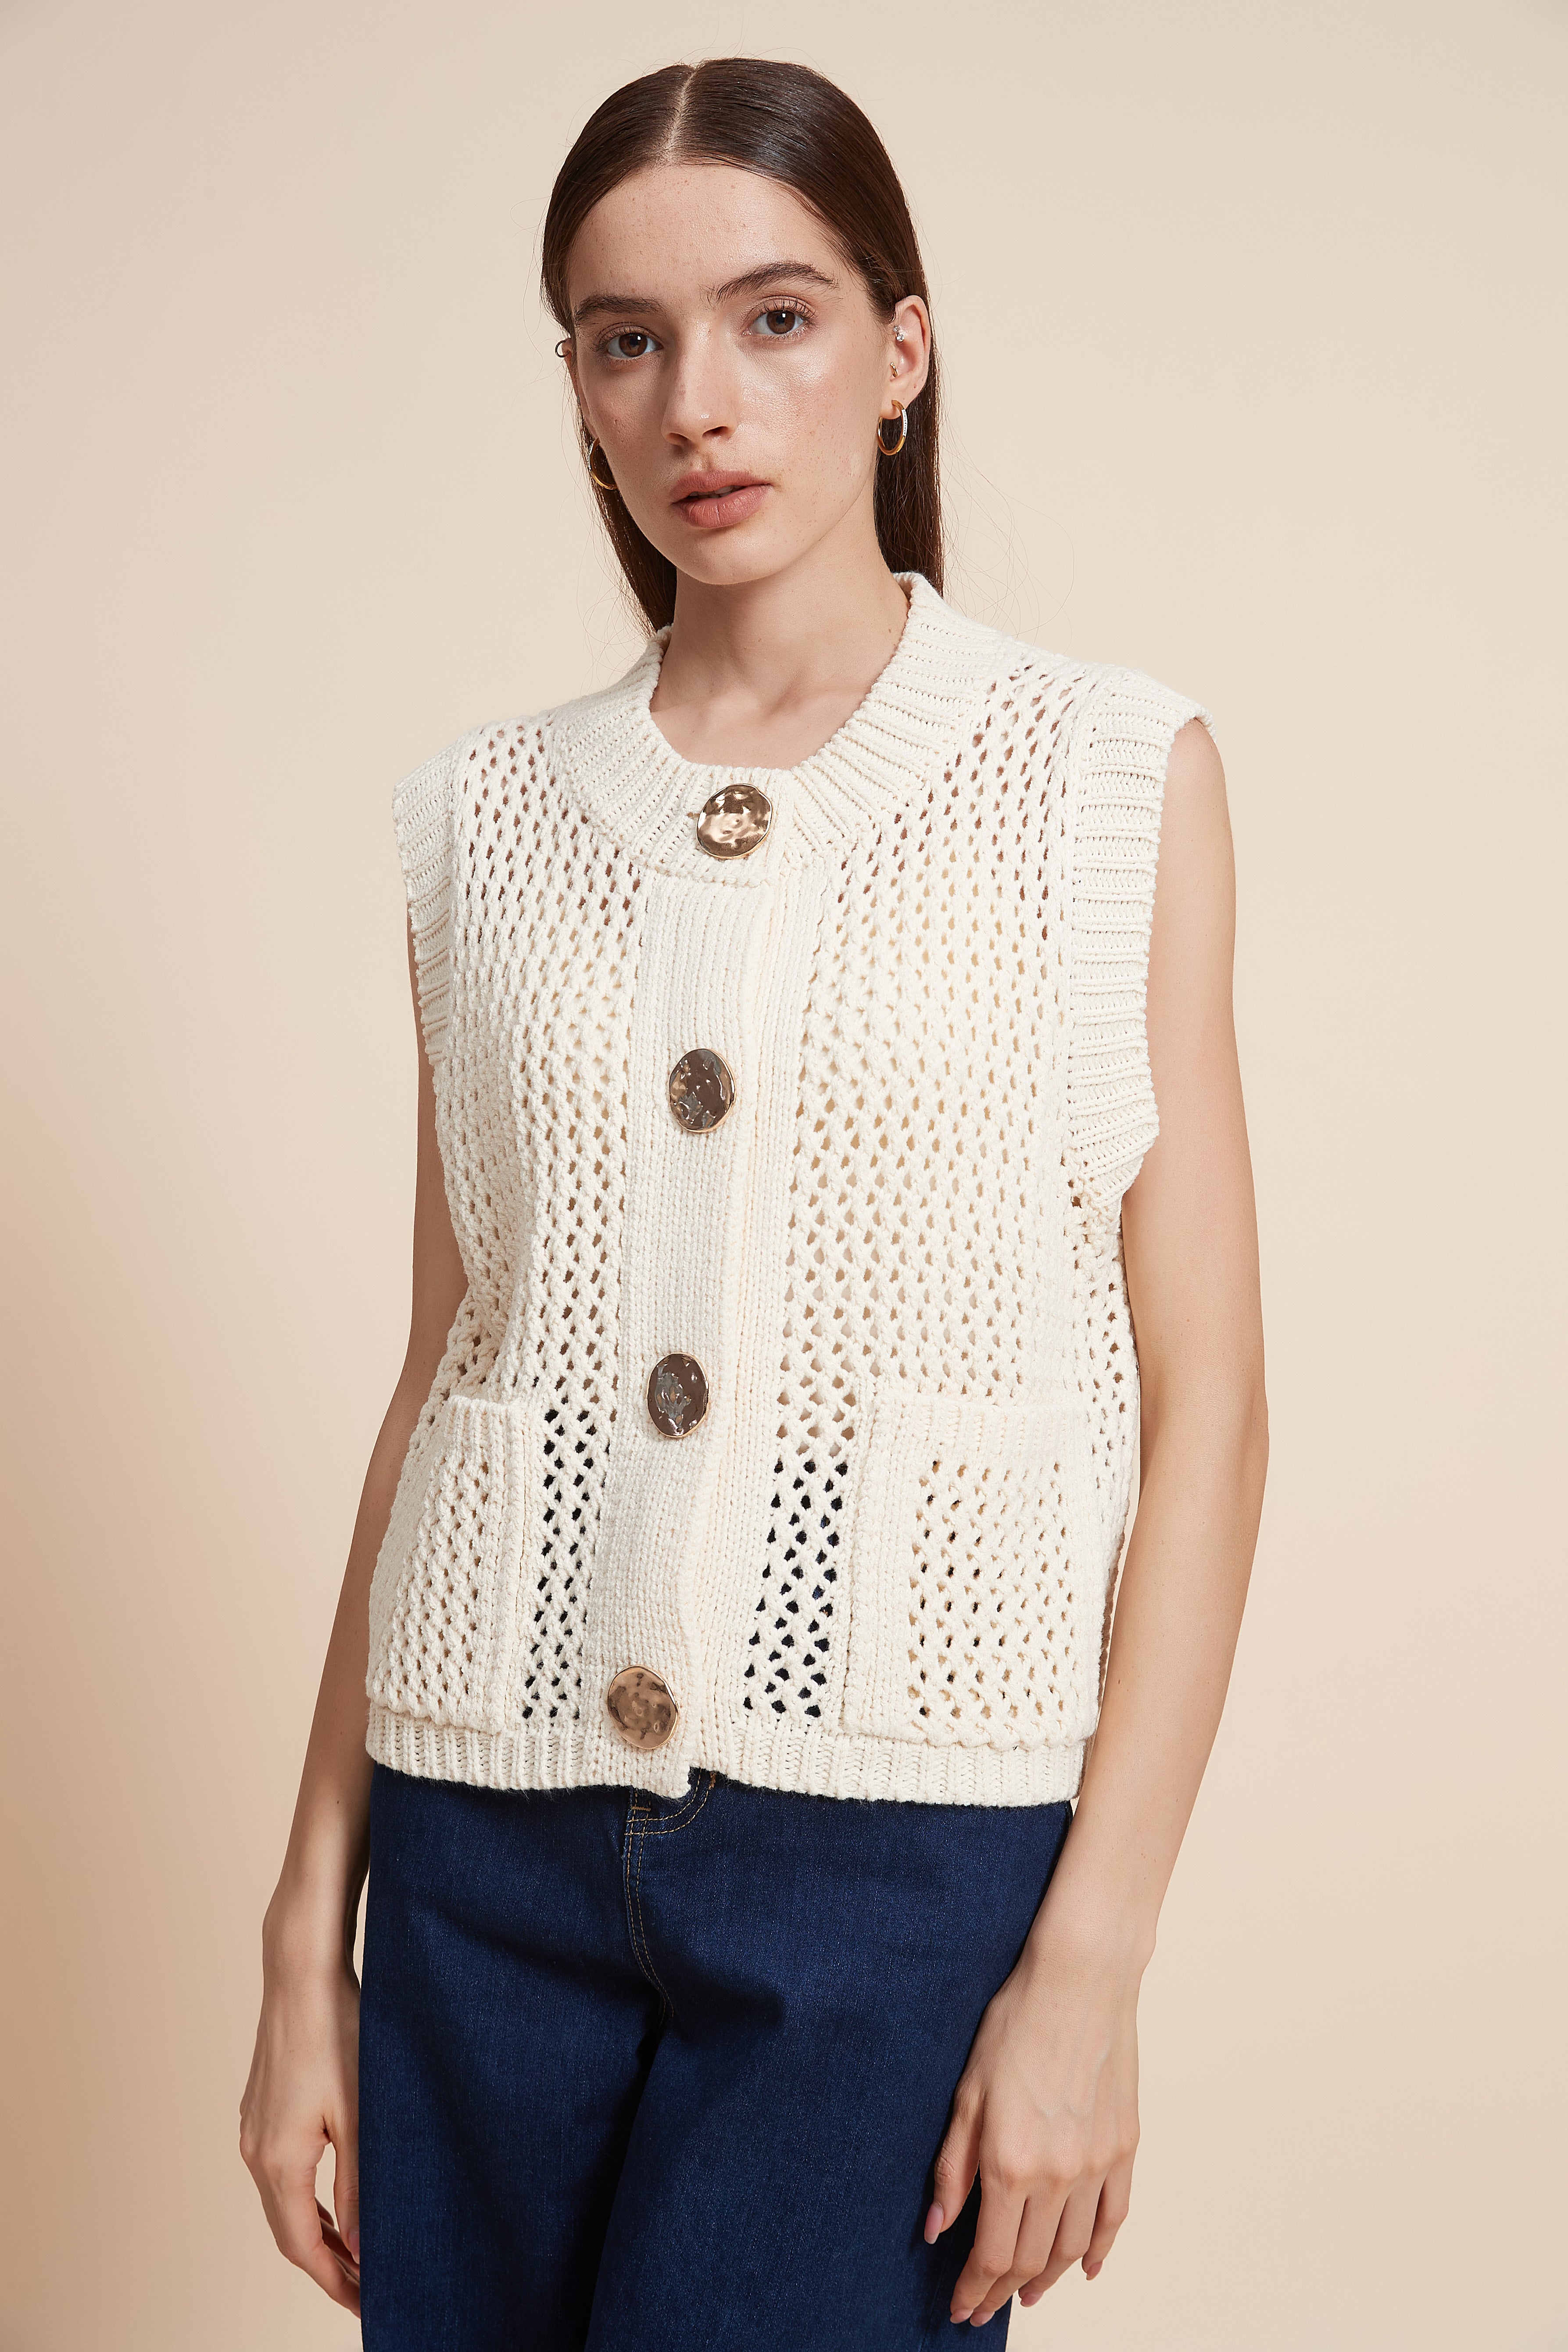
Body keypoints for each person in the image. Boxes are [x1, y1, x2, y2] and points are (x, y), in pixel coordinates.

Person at [240, 54, 1267, 2349]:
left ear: (901, 351)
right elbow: (447, 1376)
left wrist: (1089, 1963)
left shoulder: (1104, 776)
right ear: (579, 389)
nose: (696, 402)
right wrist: (309, 1938)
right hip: (480, 1846)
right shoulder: (479, 824)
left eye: (773, 319)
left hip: (898, 1859)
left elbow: (1208, 1407)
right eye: (627, 340)